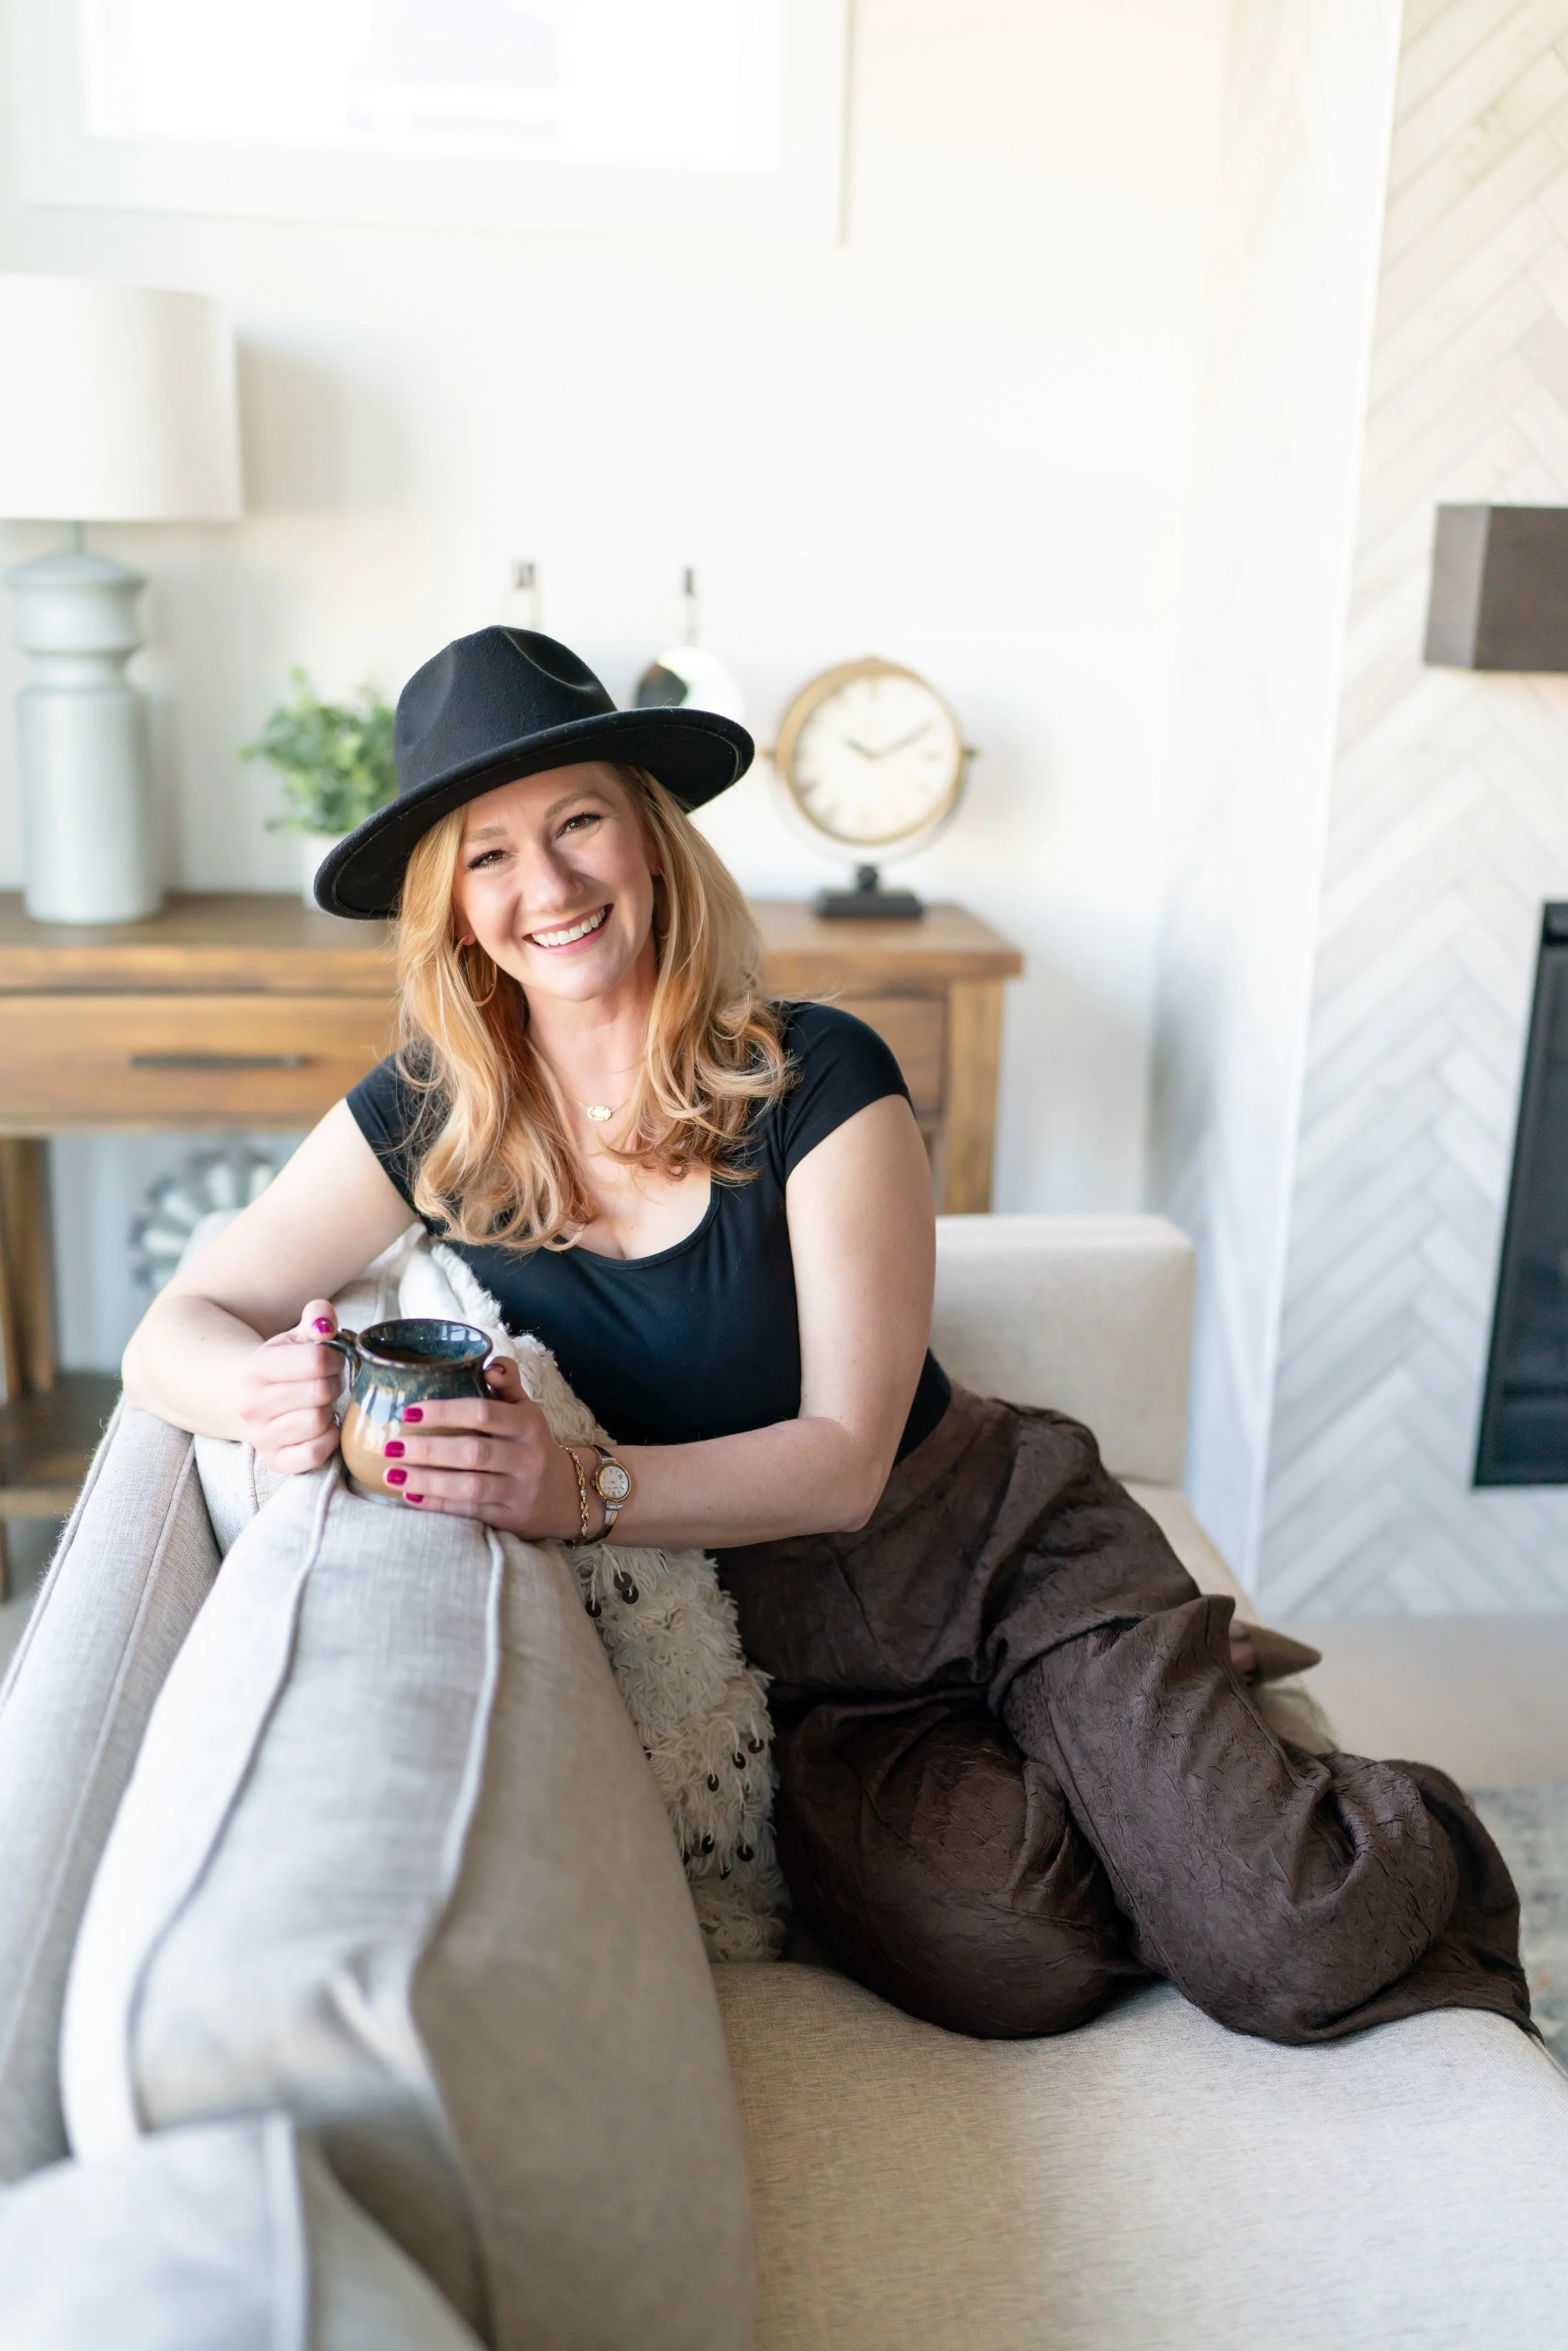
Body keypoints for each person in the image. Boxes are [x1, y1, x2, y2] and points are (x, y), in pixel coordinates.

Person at [124, 627, 1528, 2047]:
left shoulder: (815, 1070)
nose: (545, 885)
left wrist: (577, 1491)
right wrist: (269, 1392)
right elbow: (174, 1328)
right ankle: (1170, 1748)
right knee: (1012, 1966)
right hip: (805, 1673)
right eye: (488, 854)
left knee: (1283, 1937)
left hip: (994, 1547)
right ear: (451, 906)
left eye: (579, 822)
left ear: (651, 840)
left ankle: (1321, 1804)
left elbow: (846, 1459)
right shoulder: (429, 1115)